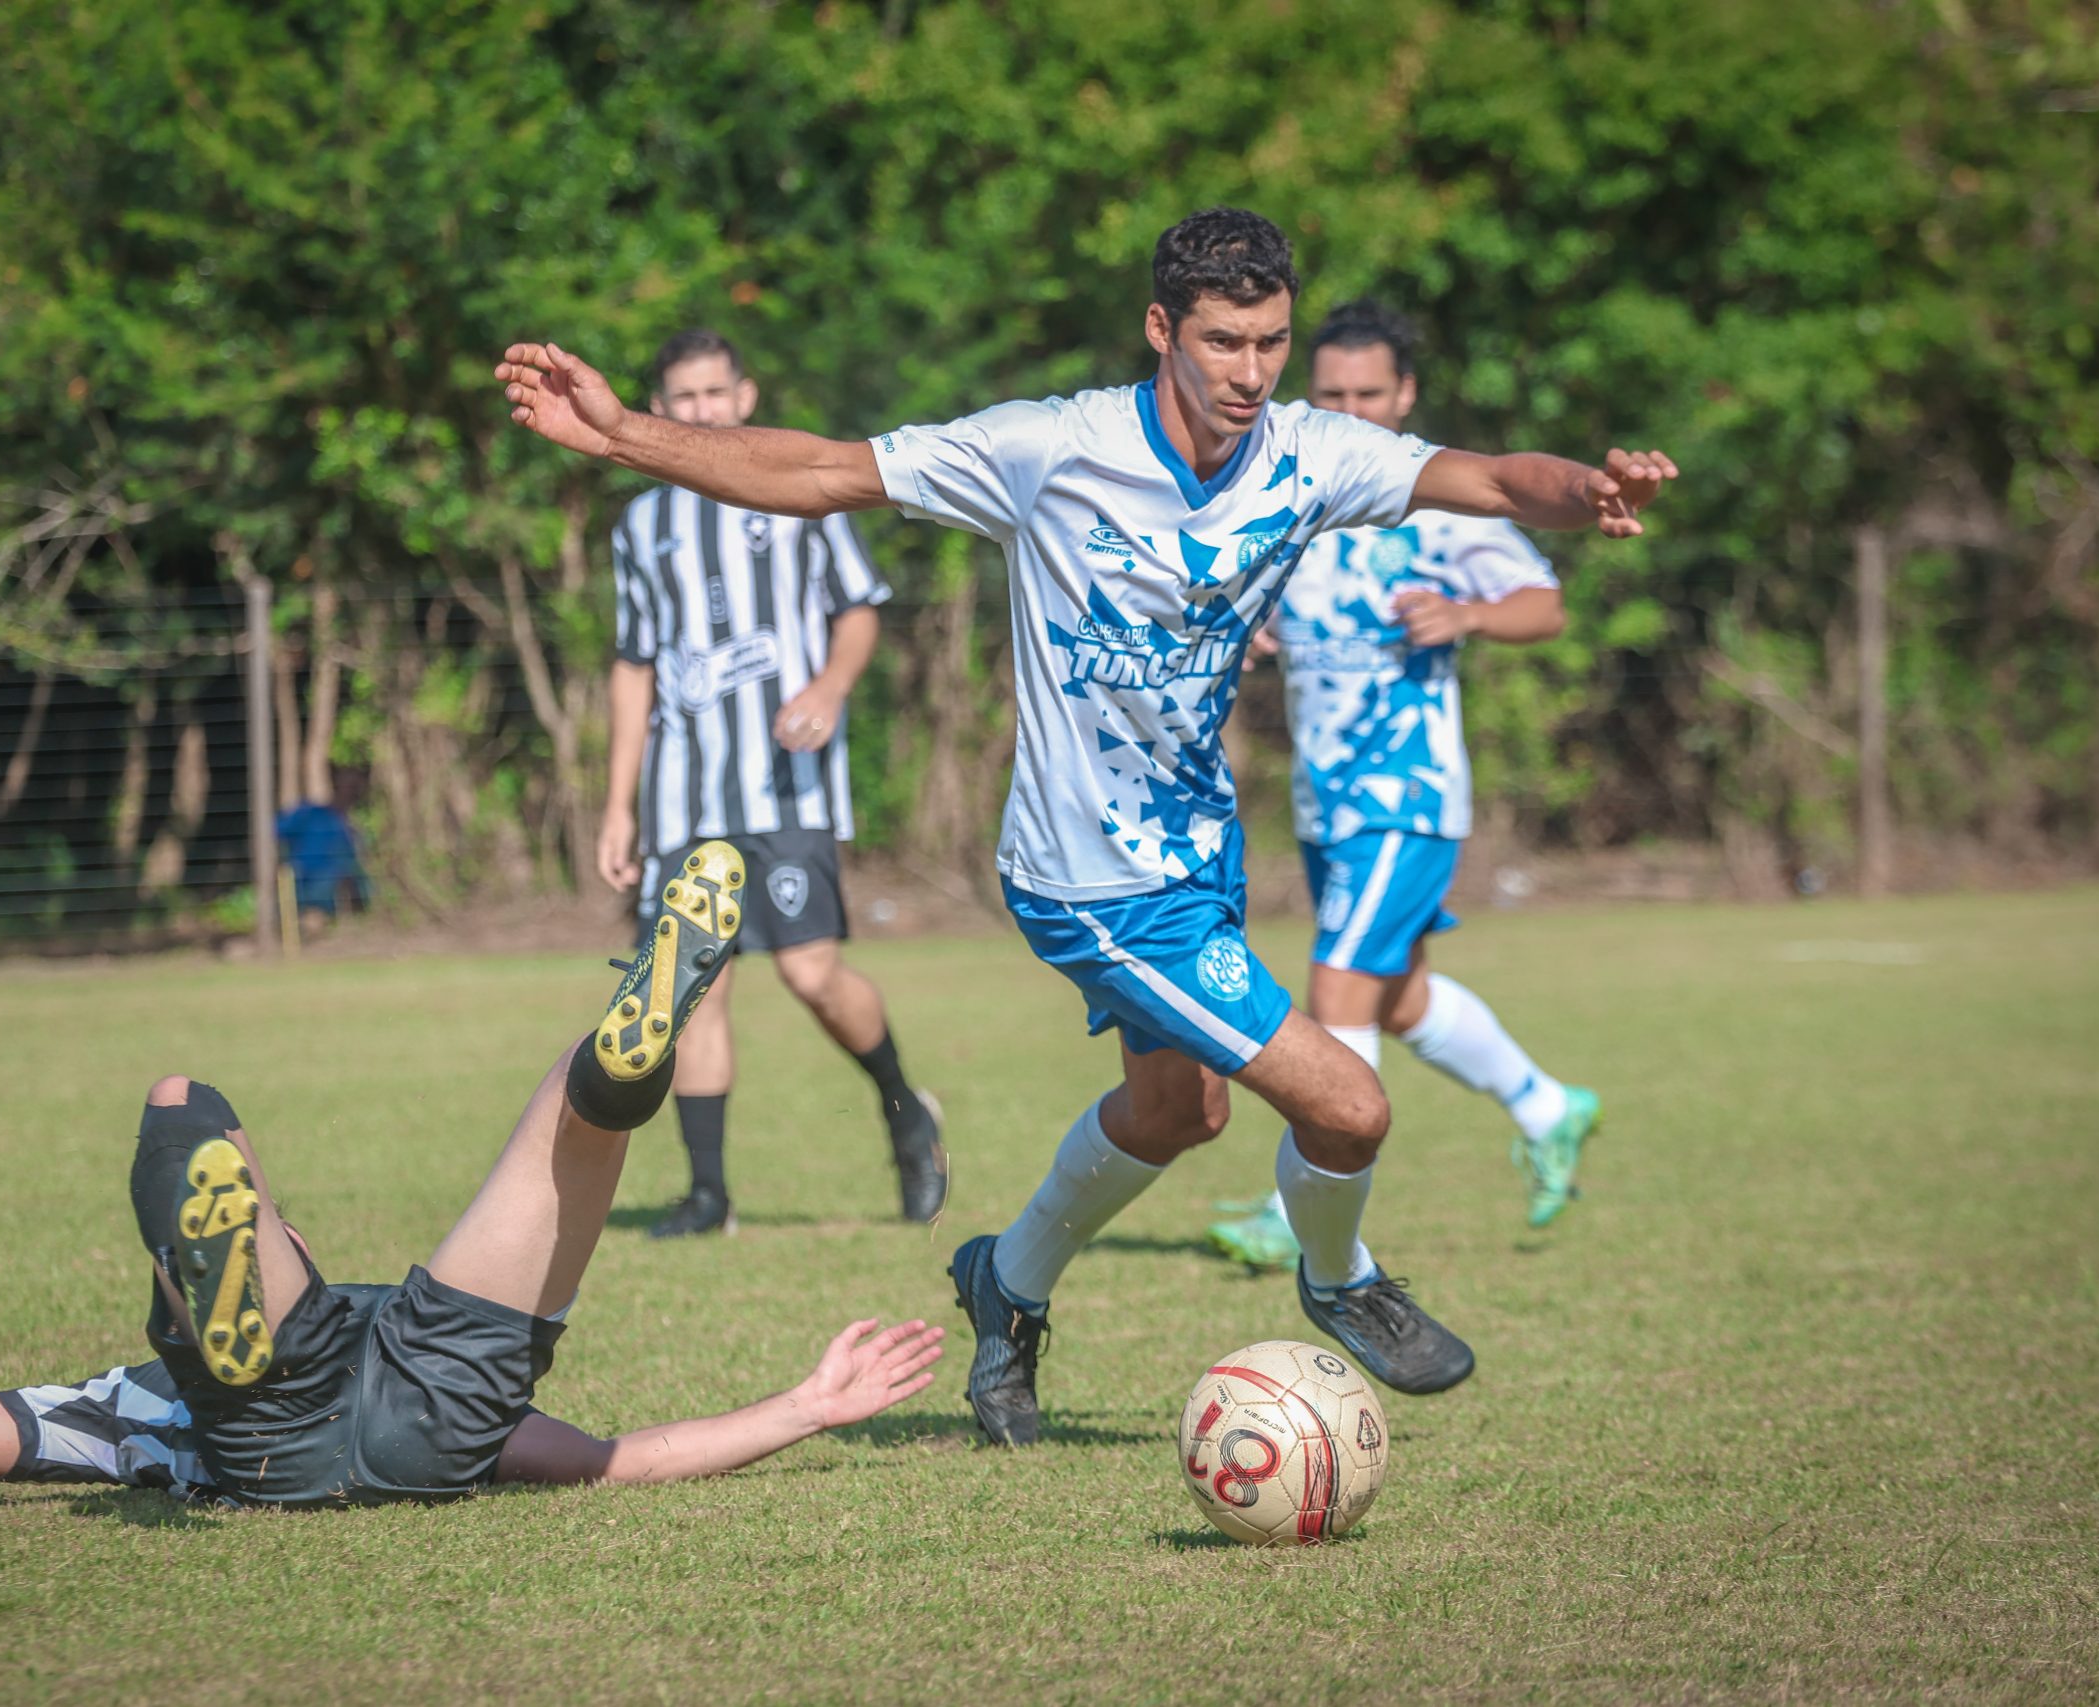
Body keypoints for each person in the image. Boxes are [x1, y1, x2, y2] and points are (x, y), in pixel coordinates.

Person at [495, 208, 1675, 1440]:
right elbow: (826, 470)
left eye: (1270, 342)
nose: (1251, 372)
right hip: (1086, 878)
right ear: (1160, 330)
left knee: (1179, 1112)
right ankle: (1343, 1282)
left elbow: (1484, 480)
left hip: (1196, 852)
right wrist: (627, 432)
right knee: (1347, 1107)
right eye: (1223, 342)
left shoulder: (1309, 453)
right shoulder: (1047, 448)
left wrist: (1584, 491)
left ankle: (1003, 1290)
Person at [0, 841, 945, 1504]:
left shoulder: (122, 1409)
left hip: (261, 1441)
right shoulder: (378, 1355)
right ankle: (626, 1051)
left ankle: (219, 1285)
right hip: (437, 1417)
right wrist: (801, 1408)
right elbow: (609, 1460)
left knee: (181, 1108)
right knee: (569, 1128)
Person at [1206, 300, 1603, 1271]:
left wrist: (1466, 612)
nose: (1349, 410)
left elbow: (1542, 604)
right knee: (1394, 997)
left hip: (1407, 794)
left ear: (1405, 394)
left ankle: (1299, 1205)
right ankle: (1548, 1107)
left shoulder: (1431, 493)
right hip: (1323, 795)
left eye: (1368, 394)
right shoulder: (1293, 483)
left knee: (1337, 981)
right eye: (1332, 394)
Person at [601, 329, 946, 1240]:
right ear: (660, 409)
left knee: (810, 970)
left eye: (716, 394)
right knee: (691, 987)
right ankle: (709, 1194)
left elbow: (860, 609)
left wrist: (830, 688)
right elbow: (634, 666)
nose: (702, 410)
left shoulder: (802, 497)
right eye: (683, 397)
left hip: (786, 787)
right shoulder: (640, 525)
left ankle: (907, 1114)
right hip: (683, 796)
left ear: (744, 397)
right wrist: (617, 804)